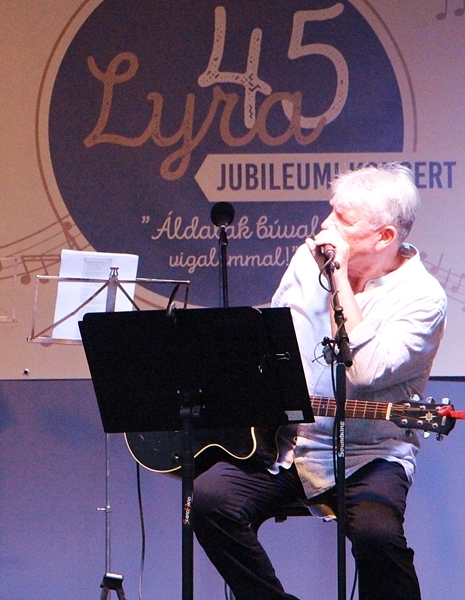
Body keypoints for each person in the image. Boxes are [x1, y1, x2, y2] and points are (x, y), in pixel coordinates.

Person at [191, 163, 446, 600]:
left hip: (369, 456)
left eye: (343, 220)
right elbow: (275, 344)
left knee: (378, 536)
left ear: (384, 236)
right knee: (210, 499)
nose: (326, 226)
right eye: (330, 212)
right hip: (290, 447)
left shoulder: (423, 297)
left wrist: (339, 279)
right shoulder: (305, 263)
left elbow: (364, 372)